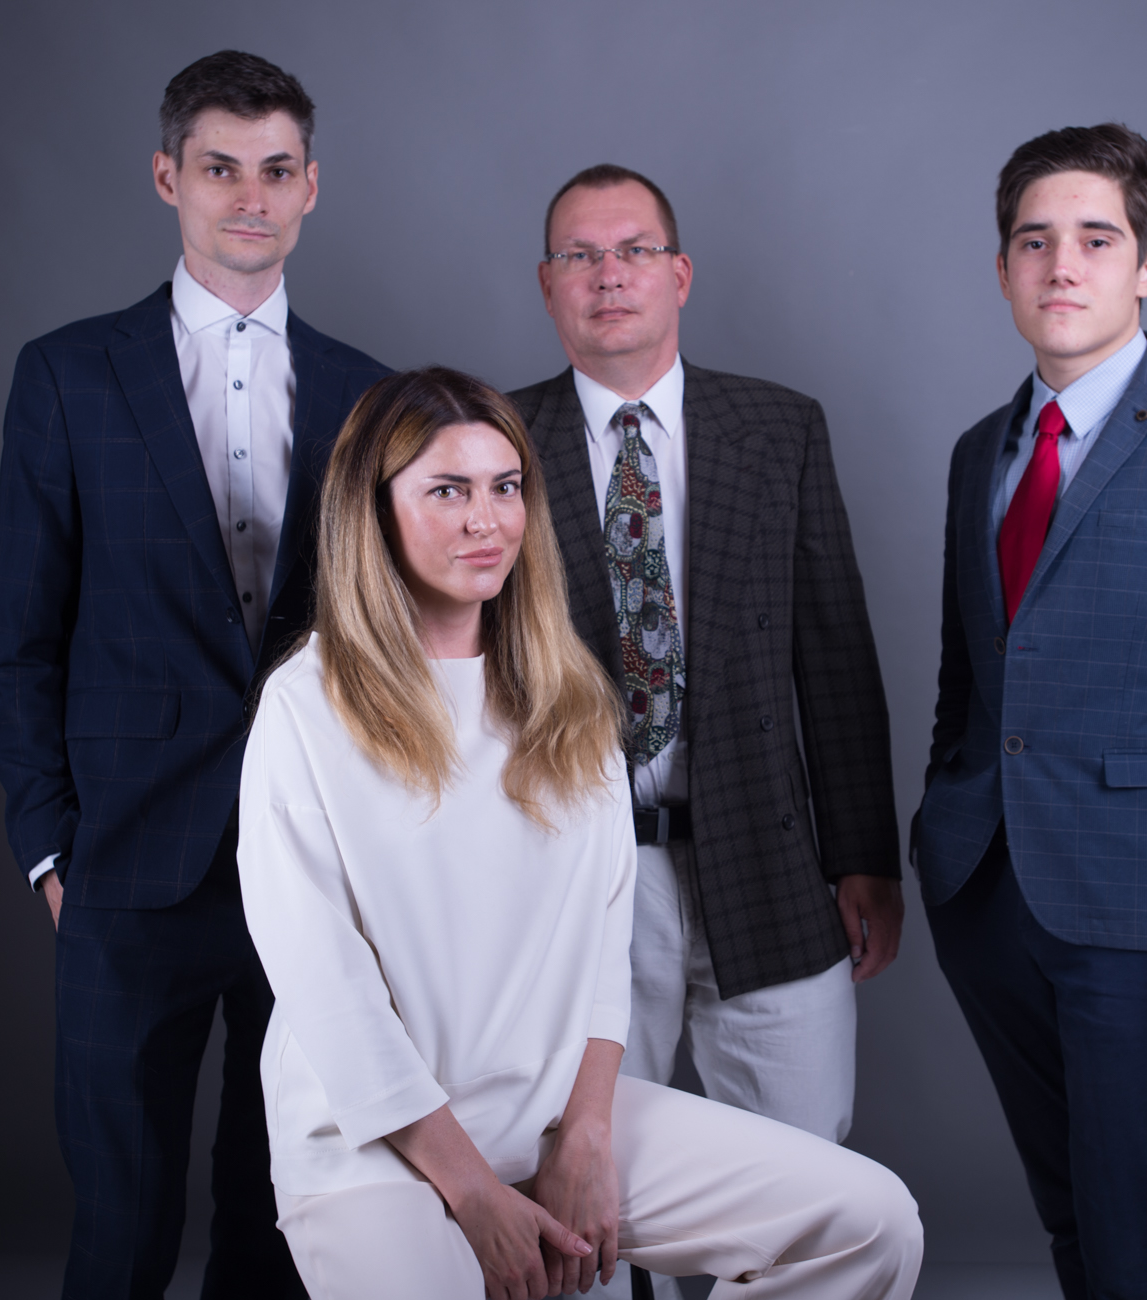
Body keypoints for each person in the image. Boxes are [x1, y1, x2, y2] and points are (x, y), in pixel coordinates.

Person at [235, 364, 923, 1300]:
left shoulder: (567, 698)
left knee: (869, 1222)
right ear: (373, 509)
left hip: (553, 1111)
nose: (487, 521)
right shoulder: (308, 707)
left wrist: (587, 1134)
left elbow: (603, 946)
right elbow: (328, 992)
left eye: (505, 486)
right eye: (448, 490)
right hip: (373, 1142)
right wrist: (475, 1192)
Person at [0, 50, 387, 1298]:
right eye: (221, 168)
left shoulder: (369, 394)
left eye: (276, 170)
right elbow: (20, 634)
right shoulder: (67, 374)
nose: (249, 197)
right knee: (119, 1228)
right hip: (123, 865)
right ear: (169, 177)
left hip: (315, 865)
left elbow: (384, 646)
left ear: (311, 186)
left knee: (283, 1222)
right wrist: (49, 849)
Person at [913, 123, 1147, 1300]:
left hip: (1145, 912)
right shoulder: (980, 451)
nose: (1061, 266)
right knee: (1071, 1216)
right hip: (986, 895)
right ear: (1002, 270)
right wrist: (938, 833)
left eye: (1095, 238)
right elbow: (966, 680)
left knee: (1135, 1234)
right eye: (1034, 241)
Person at [510, 161, 900, 1139]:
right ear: (548, 284)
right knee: (581, 1176)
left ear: (678, 275)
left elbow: (835, 656)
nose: (609, 273)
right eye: (580, 256)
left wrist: (864, 857)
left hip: (764, 856)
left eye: (634, 250)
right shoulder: (494, 442)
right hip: (574, 874)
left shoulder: (779, 429)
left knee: (802, 1176)